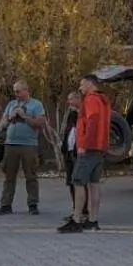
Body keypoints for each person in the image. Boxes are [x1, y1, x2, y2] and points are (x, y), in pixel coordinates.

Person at [58, 75, 111, 234]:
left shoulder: (91, 100)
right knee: (94, 184)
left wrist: (85, 145)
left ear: (90, 84)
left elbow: (92, 121)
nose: (80, 88)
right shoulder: (103, 100)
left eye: (82, 84)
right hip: (100, 148)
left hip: (89, 149)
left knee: (78, 181)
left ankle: (76, 220)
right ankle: (93, 220)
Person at [0, 80, 46, 215]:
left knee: (31, 175)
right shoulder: (11, 104)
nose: (16, 94)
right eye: (14, 91)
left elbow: (41, 124)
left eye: (18, 91)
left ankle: (33, 204)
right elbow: (2, 123)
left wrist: (24, 116)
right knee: (9, 176)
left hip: (29, 145)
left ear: (26, 90)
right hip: (11, 144)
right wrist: (10, 117)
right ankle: (5, 204)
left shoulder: (36, 105)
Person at [58, 90, 82, 223]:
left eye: (71, 99)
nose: (69, 102)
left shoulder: (81, 113)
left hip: (78, 152)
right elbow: (67, 131)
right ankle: (75, 210)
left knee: (79, 182)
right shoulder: (70, 114)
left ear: (78, 100)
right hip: (69, 151)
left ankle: (83, 211)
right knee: (71, 183)